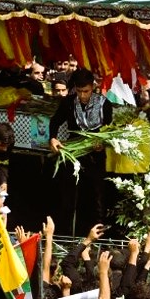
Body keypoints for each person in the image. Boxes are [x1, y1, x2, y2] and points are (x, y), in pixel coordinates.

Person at [48, 68, 113, 234]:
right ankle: (66, 234)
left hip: (95, 155)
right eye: (79, 91)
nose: (83, 96)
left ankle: (97, 235)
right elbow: (55, 121)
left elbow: (109, 130)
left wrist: (102, 144)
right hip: (73, 153)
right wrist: (53, 138)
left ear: (93, 87)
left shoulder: (104, 104)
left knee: (97, 197)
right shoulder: (69, 102)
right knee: (69, 196)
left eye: (86, 91)